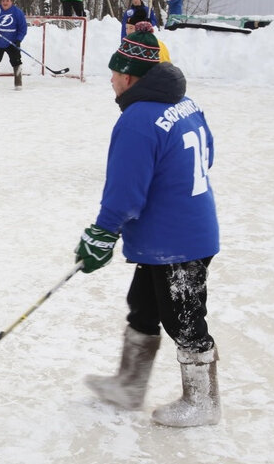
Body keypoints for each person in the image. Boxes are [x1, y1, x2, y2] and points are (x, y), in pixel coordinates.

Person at [75, 28, 221, 428]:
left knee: (184, 320)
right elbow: (210, 150)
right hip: (178, 230)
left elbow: (124, 193)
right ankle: (130, 384)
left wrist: (102, 234)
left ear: (130, 77)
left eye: (114, 73)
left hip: (178, 240)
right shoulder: (184, 103)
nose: (110, 80)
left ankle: (203, 402)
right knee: (143, 305)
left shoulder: (139, 119)